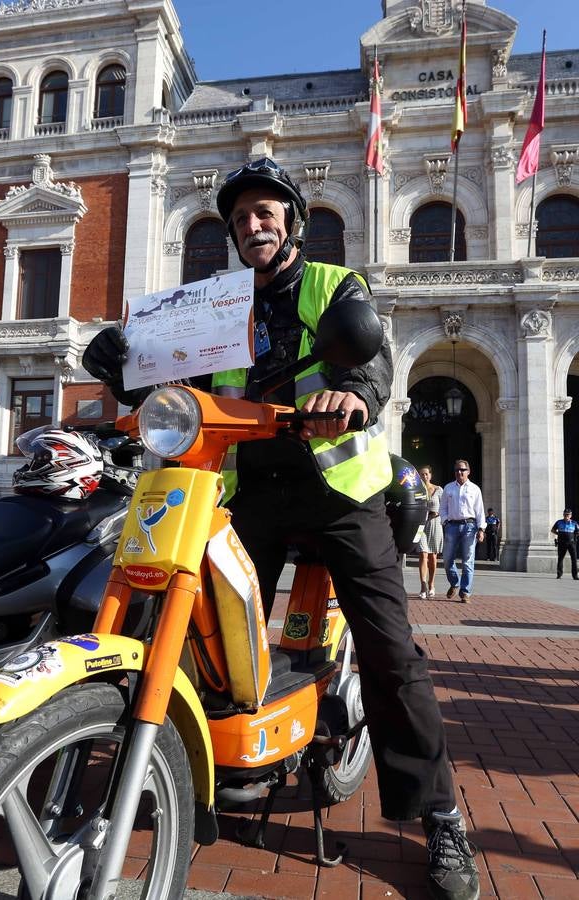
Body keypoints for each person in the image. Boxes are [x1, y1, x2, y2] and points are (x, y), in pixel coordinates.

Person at [82, 157, 478, 900]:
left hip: (337, 489)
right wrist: (121, 367)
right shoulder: (213, 306)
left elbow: (375, 362)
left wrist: (353, 395)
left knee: (393, 653)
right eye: (239, 220)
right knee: (197, 627)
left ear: (291, 221)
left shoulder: (336, 287)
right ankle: (204, 760)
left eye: (265, 214)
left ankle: (442, 814)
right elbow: (176, 382)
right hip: (248, 487)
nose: (251, 226)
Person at [439, 460, 486, 602]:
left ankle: (465, 592)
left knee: (468, 561)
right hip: (452, 526)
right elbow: (442, 508)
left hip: (469, 527)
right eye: (457, 470)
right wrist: (445, 521)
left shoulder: (474, 489)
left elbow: (480, 510)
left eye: (463, 470)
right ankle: (454, 582)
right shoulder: (448, 488)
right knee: (447, 559)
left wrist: (481, 528)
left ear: (468, 471)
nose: (459, 472)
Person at [416, 465, 444, 598]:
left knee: (433, 557)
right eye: (421, 474)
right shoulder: (416, 490)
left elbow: (445, 507)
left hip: (435, 523)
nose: (424, 476)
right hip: (422, 524)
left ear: (430, 475)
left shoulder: (439, 490)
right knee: (423, 554)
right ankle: (423, 585)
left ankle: (431, 584)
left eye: (426, 474)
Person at [551, 508, 578, 580]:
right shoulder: (559, 522)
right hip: (562, 543)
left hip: (571, 543)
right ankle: (559, 574)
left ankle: (575, 576)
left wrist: (574, 538)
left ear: (571, 515)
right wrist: (558, 534)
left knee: (574, 559)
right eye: (565, 514)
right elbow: (552, 530)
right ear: (563, 515)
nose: (566, 516)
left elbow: (577, 532)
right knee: (560, 558)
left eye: (568, 515)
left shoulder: (574, 523)